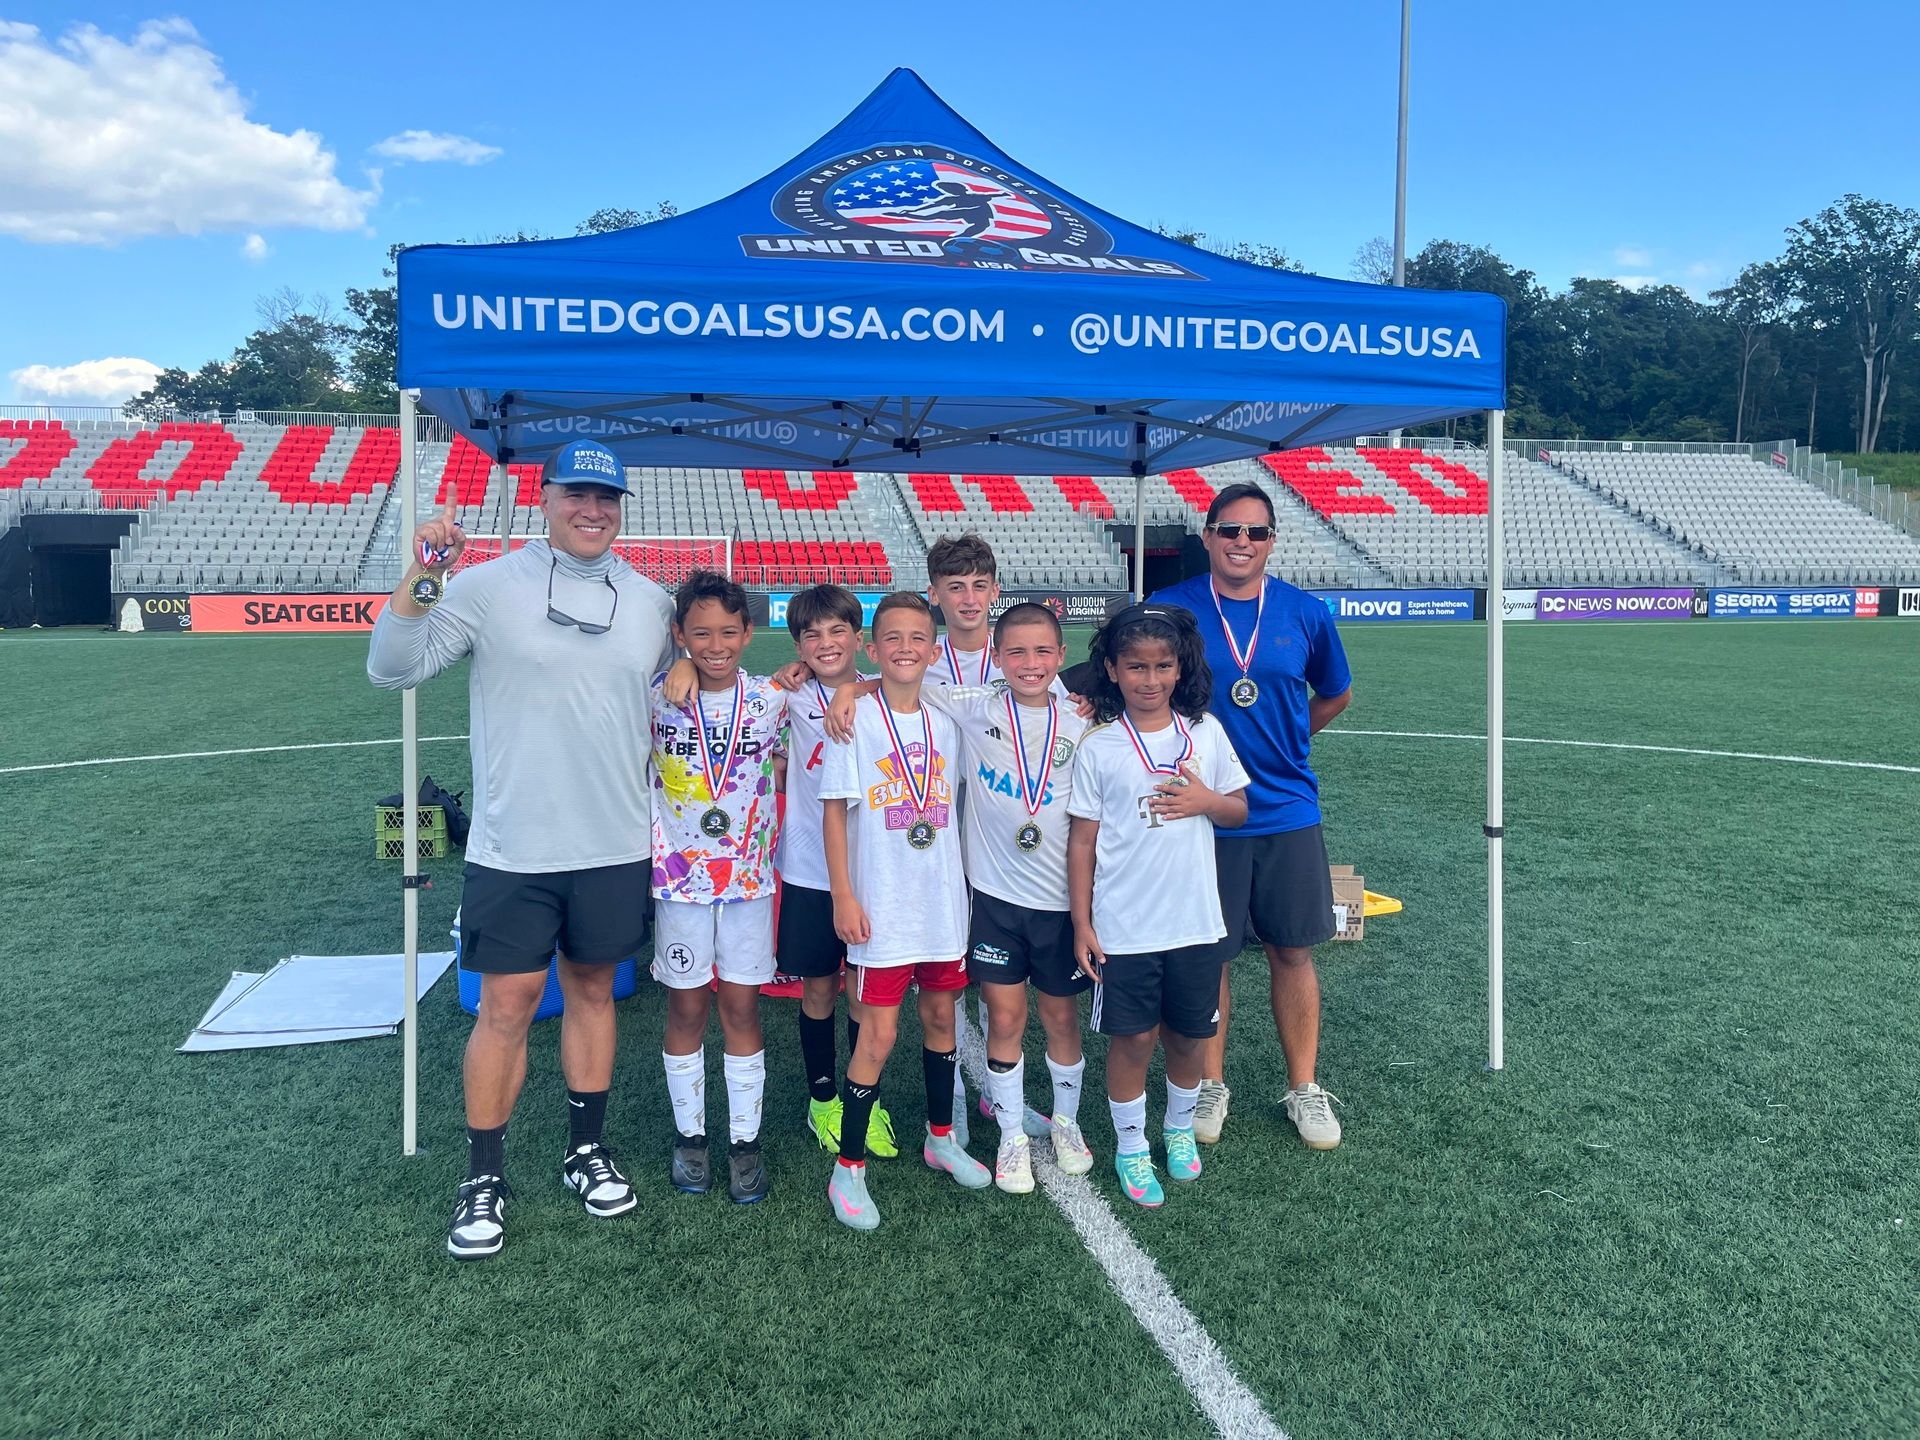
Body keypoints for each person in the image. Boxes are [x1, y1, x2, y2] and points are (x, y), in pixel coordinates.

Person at [367, 438, 674, 1261]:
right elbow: (392, 667)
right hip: (514, 848)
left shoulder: (650, 602)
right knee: (504, 1007)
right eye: (577, 494)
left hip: (614, 841)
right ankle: (484, 1175)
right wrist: (425, 570)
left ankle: (586, 1151)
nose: (593, 510)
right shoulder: (485, 585)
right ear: (544, 498)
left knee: (593, 995)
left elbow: (681, 684)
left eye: (608, 498)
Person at [828, 602, 1095, 1193]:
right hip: (936, 902)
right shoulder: (963, 708)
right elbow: (898, 674)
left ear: (1062, 657)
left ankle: (967, 1134)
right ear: (995, 660)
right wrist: (850, 686)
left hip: (962, 906)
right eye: (1016, 652)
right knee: (891, 1032)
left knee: (982, 1016)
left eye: (1043, 651)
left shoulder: (1078, 722)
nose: (1030, 663)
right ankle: (852, 1171)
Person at [1152, 482, 1353, 1149]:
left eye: (1256, 532)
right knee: (1211, 955)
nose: (1242, 542)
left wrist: (1290, 744)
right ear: (1206, 537)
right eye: (1229, 530)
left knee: (1293, 950)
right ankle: (1211, 1083)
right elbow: (1124, 680)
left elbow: (1334, 694)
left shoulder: (1304, 612)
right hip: (1200, 811)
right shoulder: (1170, 608)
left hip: (1286, 808)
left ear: (1271, 541)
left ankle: (1304, 1089)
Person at [820, 592, 992, 1230]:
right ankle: (850, 1171)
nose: (904, 649)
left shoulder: (949, 719)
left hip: (942, 904)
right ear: (873, 647)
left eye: (918, 638)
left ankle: (941, 1137)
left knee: (943, 1019)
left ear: (933, 646)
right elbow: (834, 811)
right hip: (881, 906)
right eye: (891, 638)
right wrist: (843, 894)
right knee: (879, 1034)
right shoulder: (853, 721)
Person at [1066, 604, 1248, 1208]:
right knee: (1133, 1039)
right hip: (1124, 925)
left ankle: (1176, 1131)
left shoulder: (1206, 733)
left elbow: (1238, 810)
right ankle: (1130, 1146)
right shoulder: (1099, 747)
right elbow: (1084, 840)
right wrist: (1082, 923)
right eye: (1136, 667)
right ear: (1113, 672)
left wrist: (1204, 800)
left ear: (1179, 669)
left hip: (1194, 920)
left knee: (1190, 1038)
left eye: (1162, 666)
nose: (1150, 679)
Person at [648, 570, 786, 1205]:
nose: (715, 643)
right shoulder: (656, 697)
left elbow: (848, 685)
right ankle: (689, 1137)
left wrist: (828, 685)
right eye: (699, 632)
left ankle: (744, 1143)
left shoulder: (771, 699)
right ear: (679, 634)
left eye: (729, 631)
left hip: (748, 884)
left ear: (749, 633)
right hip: (678, 884)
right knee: (686, 1008)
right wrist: (676, 666)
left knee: (740, 1008)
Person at [770, 585, 899, 1160]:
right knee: (820, 985)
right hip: (807, 867)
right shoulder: (788, 694)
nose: (825, 643)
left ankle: (859, 1094)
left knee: (864, 991)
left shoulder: (880, 696)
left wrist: (854, 686)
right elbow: (721, 687)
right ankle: (823, 1097)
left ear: (858, 638)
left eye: (837, 631)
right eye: (812, 635)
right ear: (797, 644)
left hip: (872, 866)